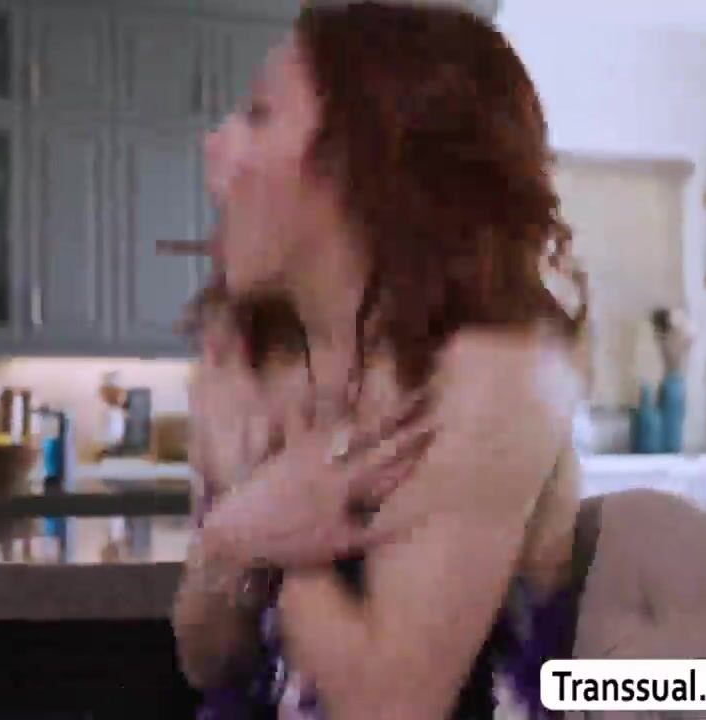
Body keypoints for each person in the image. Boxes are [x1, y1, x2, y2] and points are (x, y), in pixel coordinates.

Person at [172, 3, 585, 718]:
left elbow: (393, 707)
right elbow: (205, 658)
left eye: (261, 114)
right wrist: (229, 540)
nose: (215, 147)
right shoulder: (254, 354)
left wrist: (265, 528)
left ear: (367, 167)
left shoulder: (494, 374)